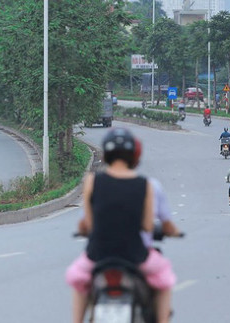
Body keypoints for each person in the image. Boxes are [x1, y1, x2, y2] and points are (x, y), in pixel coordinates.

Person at [65, 128, 175, 323]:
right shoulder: (145, 184)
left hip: (98, 255)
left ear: (106, 154)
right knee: (165, 279)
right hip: (135, 256)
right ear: (133, 155)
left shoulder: (92, 181)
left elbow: (88, 224)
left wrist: (84, 228)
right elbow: (148, 226)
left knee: (78, 279)